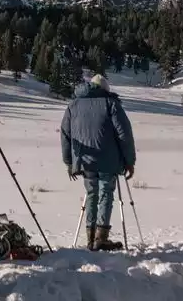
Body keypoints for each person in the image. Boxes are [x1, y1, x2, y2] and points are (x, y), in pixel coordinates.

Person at [60, 74, 136, 251]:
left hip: (84, 159)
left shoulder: (73, 105)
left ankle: (90, 238)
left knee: (92, 193)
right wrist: (129, 161)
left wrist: (69, 162)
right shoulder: (111, 104)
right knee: (105, 194)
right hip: (108, 160)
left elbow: (65, 135)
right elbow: (124, 134)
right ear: (105, 89)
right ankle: (100, 238)